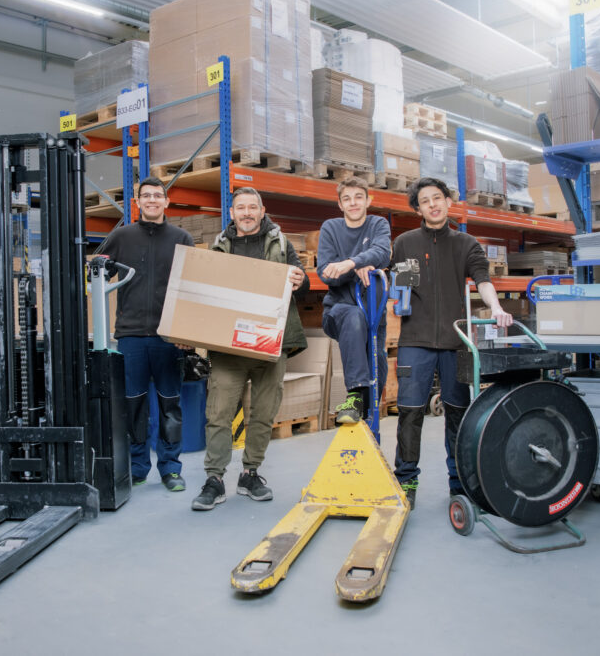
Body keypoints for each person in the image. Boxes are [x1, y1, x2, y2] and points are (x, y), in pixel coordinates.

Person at [391, 177, 513, 509]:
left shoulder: (466, 244)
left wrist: (498, 307)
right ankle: (406, 481)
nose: (432, 204)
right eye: (425, 200)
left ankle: (459, 483)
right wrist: (396, 298)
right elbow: (401, 287)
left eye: (438, 198)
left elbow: (483, 281)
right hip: (414, 339)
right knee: (410, 412)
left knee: (458, 413)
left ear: (448, 201)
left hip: (455, 339)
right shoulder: (405, 243)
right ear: (418, 208)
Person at [191, 187, 308, 511]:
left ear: (261, 210)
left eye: (251, 207)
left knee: (264, 412)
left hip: (271, 344)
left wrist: (301, 279)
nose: (246, 212)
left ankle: (250, 472)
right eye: (240, 207)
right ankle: (214, 479)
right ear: (232, 213)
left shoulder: (280, 243)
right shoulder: (219, 247)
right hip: (230, 347)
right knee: (218, 414)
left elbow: (303, 281)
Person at [99, 176, 194, 492]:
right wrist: (92, 269)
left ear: (167, 202)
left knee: (170, 405)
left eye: (158, 195)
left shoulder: (182, 238)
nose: (152, 200)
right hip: (131, 335)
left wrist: (186, 331)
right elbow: (98, 272)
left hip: (169, 337)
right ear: (137, 203)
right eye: (146, 196)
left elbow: (192, 288)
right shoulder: (122, 236)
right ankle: (138, 467)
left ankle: (171, 469)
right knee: (134, 405)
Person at [316, 176, 391, 425]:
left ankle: (368, 411)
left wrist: (350, 262)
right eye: (347, 199)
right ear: (340, 204)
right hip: (338, 313)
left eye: (359, 197)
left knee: (377, 358)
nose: (353, 203)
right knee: (353, 316)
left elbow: (383, 253)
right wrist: (359, 265)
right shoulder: (330, 228)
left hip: (374, 315)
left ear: (368, 199)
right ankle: (355, 395)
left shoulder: (378, 223)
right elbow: (327, 274)